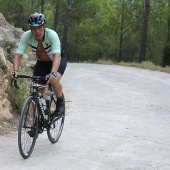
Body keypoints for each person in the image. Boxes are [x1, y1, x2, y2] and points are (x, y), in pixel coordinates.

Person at [11, 12, 67, 117]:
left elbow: (57, 56)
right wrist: (15, 71)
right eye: (34, 28)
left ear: (44, 26)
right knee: (36, 91)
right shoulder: (26, 36)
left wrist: (53, 73)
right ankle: (37, 121)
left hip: (58, 59)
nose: (37, 31)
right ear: (30, 28)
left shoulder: (51, 34)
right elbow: (18, 56)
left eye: (40, 27)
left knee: (54, 81)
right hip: (42, 62)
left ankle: (60, 102)